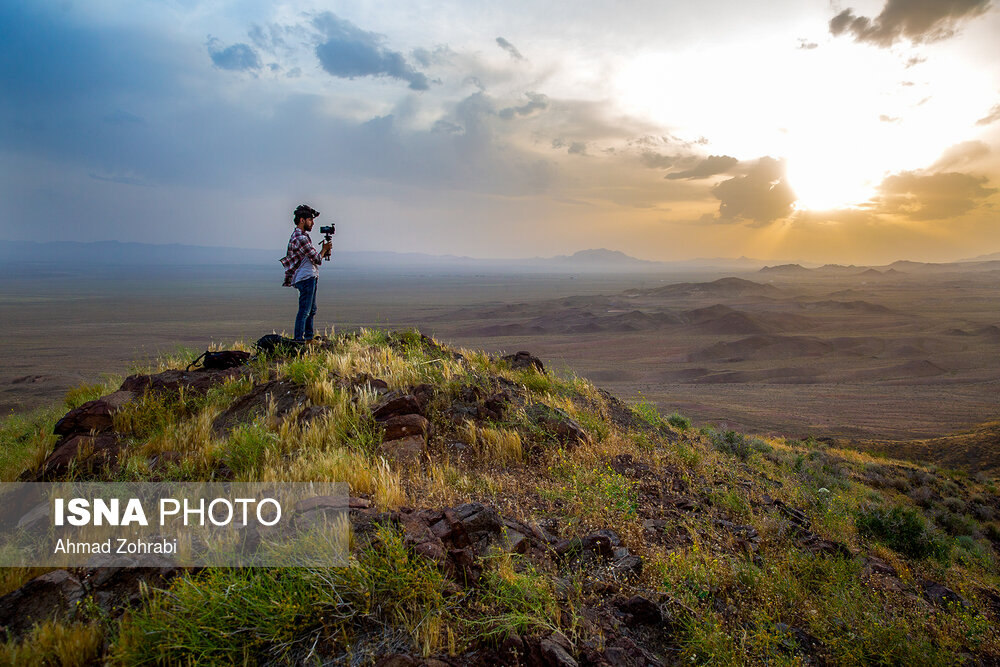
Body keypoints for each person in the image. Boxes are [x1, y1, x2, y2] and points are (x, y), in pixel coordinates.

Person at [280, 204, 332, 342]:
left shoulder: (301, 236)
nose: (313, 223)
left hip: (309, 276)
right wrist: (324, 249)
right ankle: (300, 340)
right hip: (306, 277)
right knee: (305, 310)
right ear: (302, 220)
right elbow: (317, 258)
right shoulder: (301, 238)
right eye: (310, 220)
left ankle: (308, 338)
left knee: (311, 309)